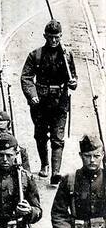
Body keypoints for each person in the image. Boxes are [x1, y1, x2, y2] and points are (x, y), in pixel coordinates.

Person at [21, 19, 78, 182]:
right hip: (40, 102)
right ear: (45, 36)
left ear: (61, 36)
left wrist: (73, 82)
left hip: (60, 101)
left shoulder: (67, 55)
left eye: (57, 37)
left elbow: (73, 77)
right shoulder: (36, 55)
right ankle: (44, 164)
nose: (54, 40)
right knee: (40, 135)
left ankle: (55, 172)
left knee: (58, 137)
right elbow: (26, 77)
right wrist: (32, 95)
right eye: (51, 37)